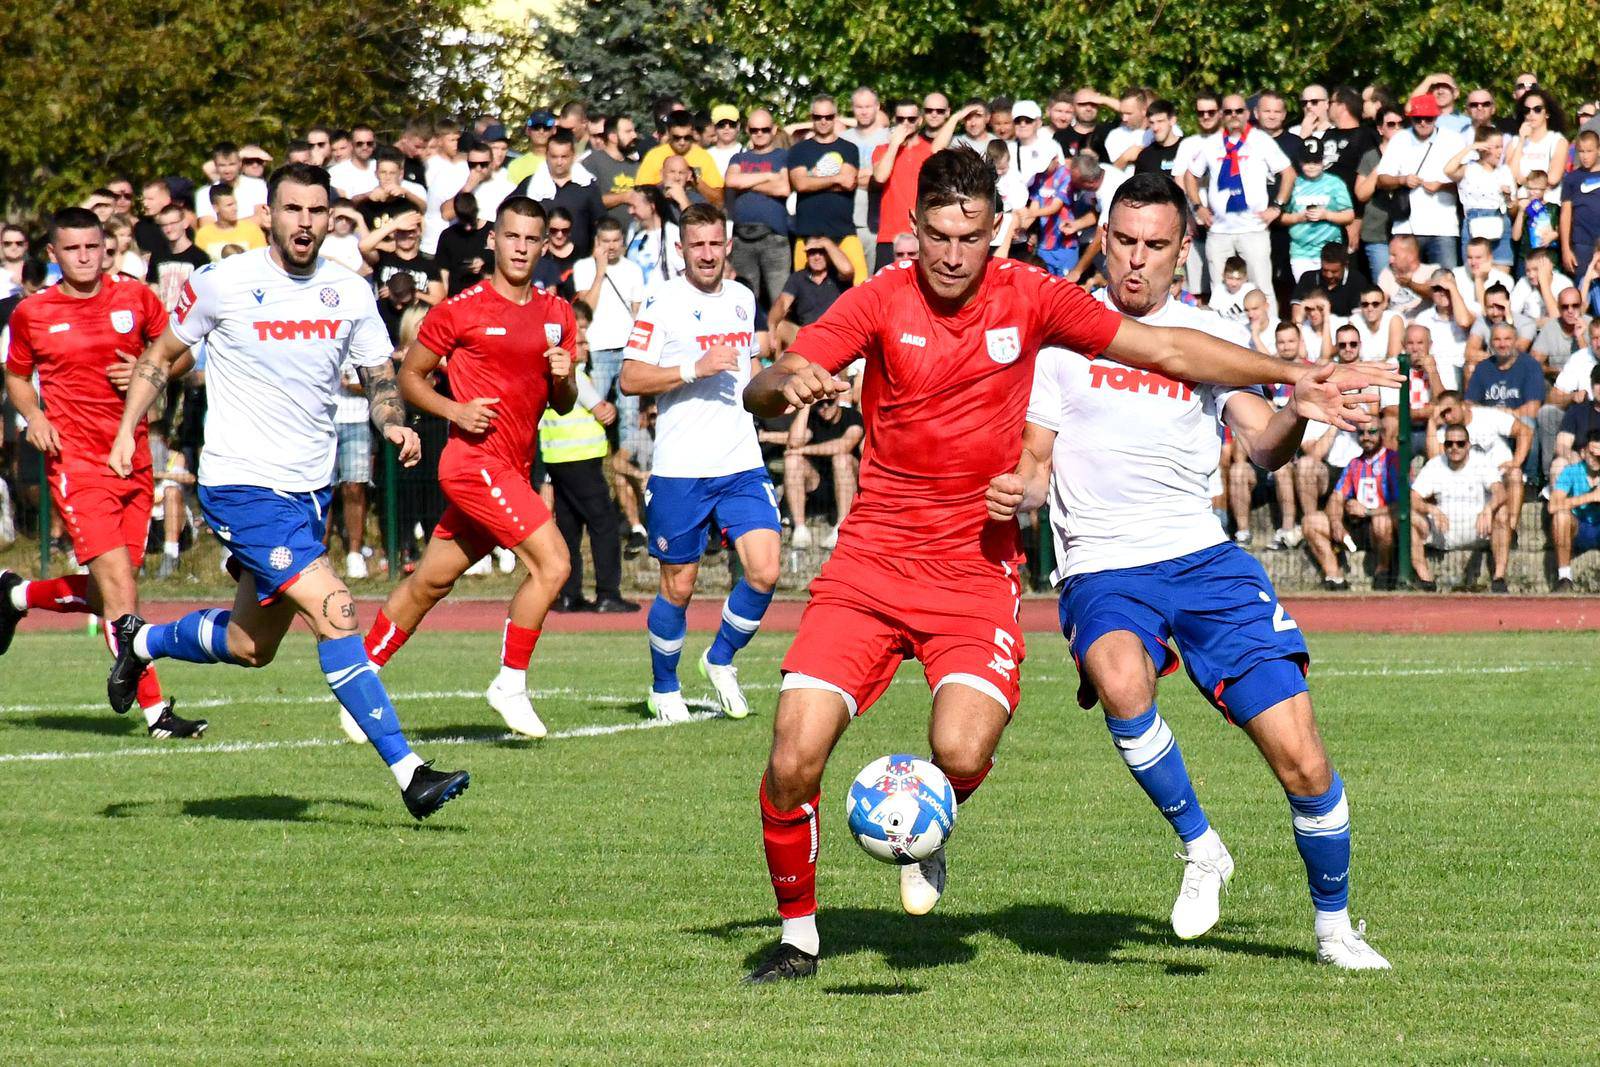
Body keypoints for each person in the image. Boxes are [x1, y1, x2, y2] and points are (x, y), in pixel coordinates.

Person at [738, 153, 1392, 983]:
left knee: (963, 751)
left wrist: (1294, 375)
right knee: (794, 754)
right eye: (935, 235)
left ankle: (933, 826)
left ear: (995, 234)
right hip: (879, 561)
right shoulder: (882, 301)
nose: (949, 254)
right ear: (912, 234)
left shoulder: (1036, 300)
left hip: (986, 571)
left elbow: (1172, 354)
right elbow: (772, 381)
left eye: (967, 237)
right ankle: (798, 936)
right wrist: (786, 382)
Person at [1008, 170, 1391, 968]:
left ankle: (1334, 929)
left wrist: (1295, 412)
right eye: (1123, 243)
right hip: (1104, 566)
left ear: (1183, 251)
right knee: (1120, 679)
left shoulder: (1208, 332)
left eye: (1155, 246)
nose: (1136, 262)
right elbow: (1037, 458)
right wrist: (1024, 490)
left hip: (1205, 560)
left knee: (1302, 755)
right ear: (1102, 241)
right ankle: (1201, 845)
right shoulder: (1061, 336)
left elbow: (1262, 443)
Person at [103, 163, 469, 820]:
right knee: (335, 608)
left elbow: (380, 374)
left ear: (331, 218)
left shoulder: (349, 293)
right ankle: (411, 772)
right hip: (241, 483)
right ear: (267, 215)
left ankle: (140, 642)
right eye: (292, 209)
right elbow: (160, 356)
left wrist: (392, 424)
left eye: (316, 210)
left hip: (307, 493)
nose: (304, 222)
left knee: (252, 646)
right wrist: (130, 430)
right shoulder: (223, 283)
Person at [361, 197, 580, 739]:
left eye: (533, 239)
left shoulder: (558, 313)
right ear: (494, 240)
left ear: (545, 244)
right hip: (473, 464)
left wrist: (564, 375)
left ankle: (357, 684)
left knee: (430, 583)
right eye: (513, 237)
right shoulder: (460, 309)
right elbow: (410, 376)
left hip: (513, 466)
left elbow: (565, 403)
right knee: (553, 565)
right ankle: (510, 683)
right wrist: (454, 410)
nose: (522, 248)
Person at [0, 208, 200, 738]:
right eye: (73, 249)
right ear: (54, 254)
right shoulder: (32, 312)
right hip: (77, 463)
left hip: (133, 458)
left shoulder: (136, 298)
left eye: (94, 247)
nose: (85, 257)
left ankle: (15, 597)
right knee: (119, 591)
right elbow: (17, 376)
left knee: (111, 590)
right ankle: (157, 713)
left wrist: (145, 369)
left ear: (105, 248)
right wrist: (34, 415)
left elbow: (177, 357)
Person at [618, 203, 778, 724]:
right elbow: (631, 378)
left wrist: (782, 392)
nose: (707, 254)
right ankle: (663, 688)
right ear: (681, 249)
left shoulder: (742, 298)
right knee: (678, 586)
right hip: (681, 468)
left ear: (728, 245)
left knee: (765, 569)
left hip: (740, 462)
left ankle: (721, 659)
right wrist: (693, 366)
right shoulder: (661, 303)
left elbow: (751, 373)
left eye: (715, 243)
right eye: (697, 245)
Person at [539, 302, 637, 614]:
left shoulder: (557, 377)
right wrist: (605, 409)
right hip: (578, 459)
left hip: (558, 458)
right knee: (604, 524)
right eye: (579, 342)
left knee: (569, 527)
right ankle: (608, 593)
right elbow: (603, 412)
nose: (586, 346)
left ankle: (569, 594)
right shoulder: (574, 376)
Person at [1183, 92, 1295, 299]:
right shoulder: (1211, 143)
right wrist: (1198, 207)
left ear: (1248, 113)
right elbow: (1190, 175)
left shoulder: (1261, 140)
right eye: (1228, 111)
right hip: (1219, 229)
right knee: (1219, 292)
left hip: (1253, 228)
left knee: (1261, 289)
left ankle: (1267, 329)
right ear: (1221, 114)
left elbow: (1288, 173)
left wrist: (1277, 207)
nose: (1234, 115)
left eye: (1239, 111)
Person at [1411, 424, 1510, 592]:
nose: (1454, 448)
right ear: (1444, 446)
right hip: (1443, 531)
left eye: (1460, 443)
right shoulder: (1435, 465)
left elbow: (1500, 492)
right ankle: (1426, 580)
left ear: (1468, 445)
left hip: (1478, 530)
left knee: (1502, 512)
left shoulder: (1481, 462)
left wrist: (1488, 509)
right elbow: (1412, 498)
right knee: (1409, 517)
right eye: (1449, 444)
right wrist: (1432, 509)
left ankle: (1499, 578)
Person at [1303, 425, 1399, 589]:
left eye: (1372, 432)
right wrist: (1336, 523)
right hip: (1355, 526)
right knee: (1310, 521)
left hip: (1382, 529)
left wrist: (1369, 512)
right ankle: (1335, 578)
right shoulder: (1354, 464)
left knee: (1381, 522)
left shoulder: (1393, 460)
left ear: (1382, 433)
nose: (1366, 436)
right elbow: (1336, 497)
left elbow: (1403, 504)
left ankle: (1384, 572)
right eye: (1361, 433)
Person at [1549, 429, 1600, 591]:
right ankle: (1564, 577)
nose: (1596, 459)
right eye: (1593, 453)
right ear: (1584, 452)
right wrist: (1590, 497)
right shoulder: (1571, 472)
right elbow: (1553, 506)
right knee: (1561, 516)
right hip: (1579, 528)